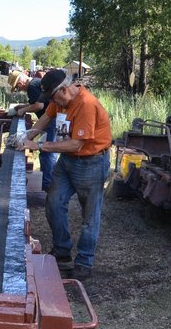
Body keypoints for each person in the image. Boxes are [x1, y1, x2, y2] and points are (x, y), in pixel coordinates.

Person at [17, 69, 112, 280]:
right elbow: (46, 118)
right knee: (53, 202)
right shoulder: (58, 100)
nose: (52, 102)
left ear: (64, 89)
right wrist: (27, 135)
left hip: (91, 162)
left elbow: (76, 144)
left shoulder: (86, 105)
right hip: (68, 161)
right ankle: (62, 252)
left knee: (90, 216)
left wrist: (38, 145)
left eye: (52, 97)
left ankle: (84, 262)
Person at [8, 70, 57, 192]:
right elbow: (39, 103)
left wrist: (23, 110)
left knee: (47, 153)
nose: (20, 89)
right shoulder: (36, 83)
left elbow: (39, 106)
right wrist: (23, 106)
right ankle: (49, 182)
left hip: (50, 121)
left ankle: (48, 185)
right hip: (50, 119)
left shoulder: (31, 86)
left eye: (18, 87)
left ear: (20, 82)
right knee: (49, 152)